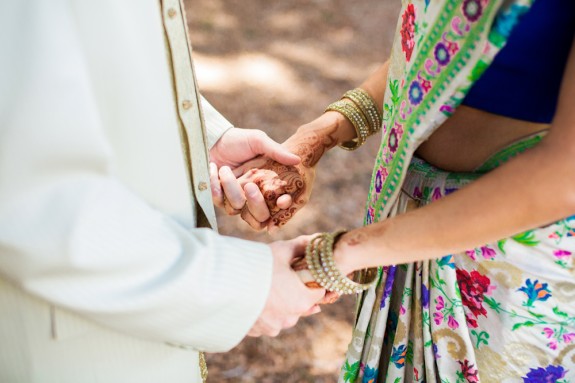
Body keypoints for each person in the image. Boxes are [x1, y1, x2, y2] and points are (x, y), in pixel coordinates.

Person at [213, 0, 575, 381]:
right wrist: (312, 142)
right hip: (403, 221)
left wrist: (338, 256)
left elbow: (562, 176)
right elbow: (429, 54)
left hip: (514, 260)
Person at [0, 1, 326, 382]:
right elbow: (32, 204)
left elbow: (99, 52)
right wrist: (241, 289)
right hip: (73, 345)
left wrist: (205, 138)